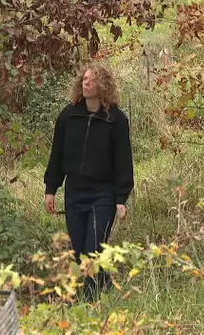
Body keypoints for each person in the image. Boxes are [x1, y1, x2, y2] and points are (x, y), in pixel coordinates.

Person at [43, 63, 134, 302]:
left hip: (102, 193)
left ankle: (89, 301)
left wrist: (121, 198)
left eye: (91, 80)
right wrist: (51, 189)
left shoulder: (116, 120)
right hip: (74, 192)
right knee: (78, 251)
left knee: (93, 249)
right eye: (84, 79)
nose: (86, 83)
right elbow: (57, 155)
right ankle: (103, 285)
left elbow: (124, 161)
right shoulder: (69, 115)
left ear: (102, 85)